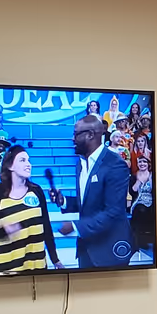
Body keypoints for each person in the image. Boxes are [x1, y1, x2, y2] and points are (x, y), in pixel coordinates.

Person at [56, 114, 132, 269]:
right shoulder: (80, 164)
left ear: (90, 135)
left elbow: (114, 211)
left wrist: (75, 226)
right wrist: (64, 201)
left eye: (76, 134)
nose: (72, 139)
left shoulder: (115, 165)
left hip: (110, 251)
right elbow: (89, 202)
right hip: (86, 249)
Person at [0, 146, 61, 272]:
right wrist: (6, 230)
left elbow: (46, 226)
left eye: (29, 160)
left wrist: (55, 258)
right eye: (22, 160)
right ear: (10, 166)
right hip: (5, 266)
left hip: (35, 264)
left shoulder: (36, 191)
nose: (28, 164)